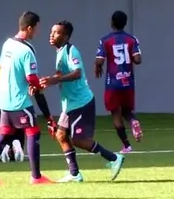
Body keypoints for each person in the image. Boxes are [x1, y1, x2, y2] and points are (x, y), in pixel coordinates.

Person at [40, 21, 125, 182]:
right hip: (69, 104)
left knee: (78, 140)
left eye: (56, 32)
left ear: (65, 36)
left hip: (81, 103)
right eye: (51, 31)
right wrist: (48, 81)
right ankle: (75, 174)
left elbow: (77, 73)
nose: (51, 35)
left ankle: (114, 158)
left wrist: (54, 80)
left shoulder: (72, 51)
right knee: (61, 135)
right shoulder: (60, 52)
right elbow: (59, 74)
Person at [0, 11, 55, 186]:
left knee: (4, 135)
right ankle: (36, 177)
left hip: (4, 101)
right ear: (29, 28)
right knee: (33, 133)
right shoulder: (27, 51)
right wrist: (39, 85)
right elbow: (32, 79)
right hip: (20, 101)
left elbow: (3, 67)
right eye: (36, 28)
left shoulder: (7, 44)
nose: (37, 32)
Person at [95, 10, 143, 153]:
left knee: (116, 113)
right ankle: (133, 121)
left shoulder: (105, 40)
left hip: (113, 83)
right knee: (127, 110)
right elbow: (138, 60)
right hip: (128, 81)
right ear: (125, 23)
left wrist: (97, 66)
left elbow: (99, 60)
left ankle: (127, 145)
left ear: (112, 22)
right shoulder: (132, 39)